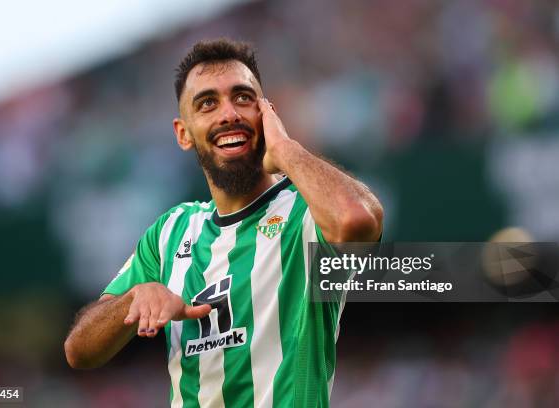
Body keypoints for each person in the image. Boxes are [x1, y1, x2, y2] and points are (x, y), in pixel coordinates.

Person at [64, 38, 383, 407]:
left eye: (243, 97)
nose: (228, 114)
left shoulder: (305, 213)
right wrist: (133, 299)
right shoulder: (171, 232)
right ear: (184, 133)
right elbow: (79, 350)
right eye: (207, 103)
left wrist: (285, 149)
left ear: (268, 114)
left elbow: (358, 221)